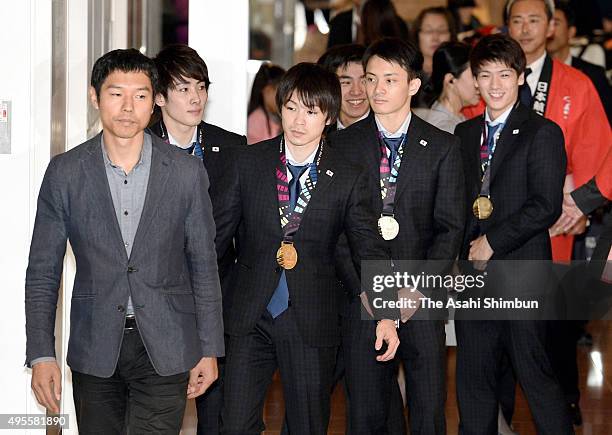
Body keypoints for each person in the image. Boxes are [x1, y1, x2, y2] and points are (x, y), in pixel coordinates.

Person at [25, 48, 224, 433]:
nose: (128, 107)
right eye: (116, 94)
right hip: (95, 345)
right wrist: (40, 353)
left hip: (167, 343)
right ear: (95, 97)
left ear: (155, 101)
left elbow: (203, 263)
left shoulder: (185, 173)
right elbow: (42, 271)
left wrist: (209, 347)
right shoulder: (65, 173)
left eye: (140, 95)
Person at [216, 62, 398, 435]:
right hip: (249, 313)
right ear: (279, 107)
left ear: (329, 116)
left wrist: (386, 312)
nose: (299, 120)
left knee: (307, 425)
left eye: (311, 111)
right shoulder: (248, 162)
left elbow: (369, 248)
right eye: (292, 107)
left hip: (311, 317)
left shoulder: (347, 175)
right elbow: (215, 239)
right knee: (233, 423)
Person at [332, 37, 465, 435]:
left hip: (420, 298)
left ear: (413, 84)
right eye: (371, 79)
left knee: (427, 409)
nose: (375, 90)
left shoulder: (442, 147)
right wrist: (365, 290)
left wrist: (417, 290)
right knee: (367, 411)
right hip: (365, 296)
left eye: (389, 80)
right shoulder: (342, 144)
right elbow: (337, 231)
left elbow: (450, 228)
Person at [453, 33, 572, 434]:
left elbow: (545, 206)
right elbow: (459, 203)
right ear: (474, 79)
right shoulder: (465, 135)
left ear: (521, 77)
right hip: (473, 276)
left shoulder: (543, 132)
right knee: (473, 379)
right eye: (485, 76)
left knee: (534, 375)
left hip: (521, 270)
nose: (496, 85)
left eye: (505, 74)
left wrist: (493, 241)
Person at [149, 43, 245, 435]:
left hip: (217, 297)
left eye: (201, 87)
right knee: (156, 413)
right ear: (158, 96)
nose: (195, 97)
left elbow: (240, 228)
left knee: (218, 415)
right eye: (183, 88)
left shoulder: (233, 147)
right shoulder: (141, 147)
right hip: (157, 300)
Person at [506, 0, 611, 262]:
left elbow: (595, 148)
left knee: (548, 294)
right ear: (507, 27)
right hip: (498, 212)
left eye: (534, 20)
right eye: (517, 21)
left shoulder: (576, 83)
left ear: (551, 26)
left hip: (555, 212)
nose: (525, 29)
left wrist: (579, 205)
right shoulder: (490, 80)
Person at [547, 1, 612, 123]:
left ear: (571, 32)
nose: (550, 30)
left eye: (556, 23)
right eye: (546, 23)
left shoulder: (593, 75)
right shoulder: (529, 72)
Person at [414, 41, 481, 133]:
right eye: (474, 76)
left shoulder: (455, 120)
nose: (479, 83)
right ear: (451, 80)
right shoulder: (445, 127)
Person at [411, 7, 457, 108]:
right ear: (417, 35)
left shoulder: (458, 73)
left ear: (451, 34)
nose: (435, 37)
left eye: (442, 30)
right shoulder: (408, 72)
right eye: (428, 31)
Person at [318, 43, 370, 130]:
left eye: (364, 81)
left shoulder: (388, 132)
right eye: (346, 82)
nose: (356, 91)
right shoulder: (318, 130)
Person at [247, 62, 286, 144]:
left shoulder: (282, 116)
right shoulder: (256, 120)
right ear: (265, 90)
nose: (283, 97)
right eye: (278, 91)